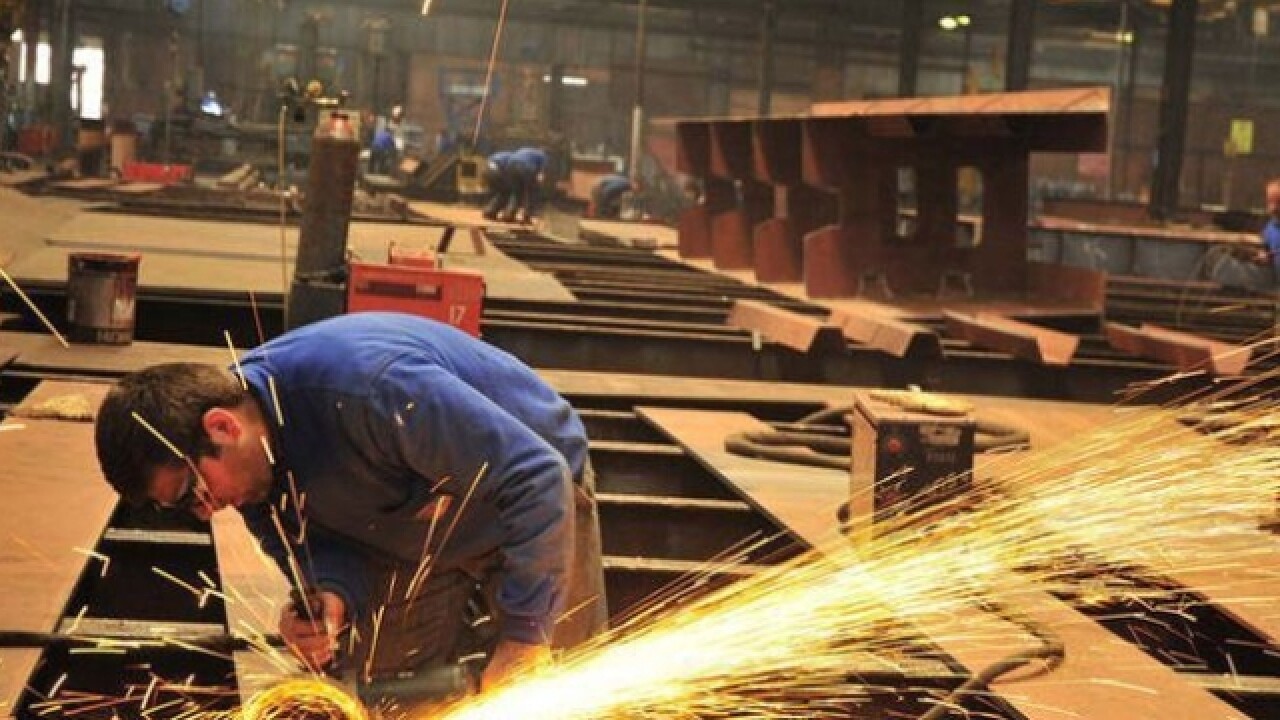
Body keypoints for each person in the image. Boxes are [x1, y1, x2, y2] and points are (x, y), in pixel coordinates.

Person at [94, 312, 607, 693]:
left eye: (193, 491)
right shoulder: (251, 475)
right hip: (416, 516)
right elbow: (326, 549)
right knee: (386, 684)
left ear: (222, 427)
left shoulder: (371, 389)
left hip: (531, 498)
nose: (207, 511)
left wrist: (525, 640)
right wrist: (331, 598)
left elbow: (537, 477)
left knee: (558, 685)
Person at [482, 150, 515, 221]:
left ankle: (489, 211)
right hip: (495, 171)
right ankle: (494, 212)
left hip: (486, 170)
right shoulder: (514, 158)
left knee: (500, 192)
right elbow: (509, 171)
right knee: (506, 192)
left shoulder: (506, 154)